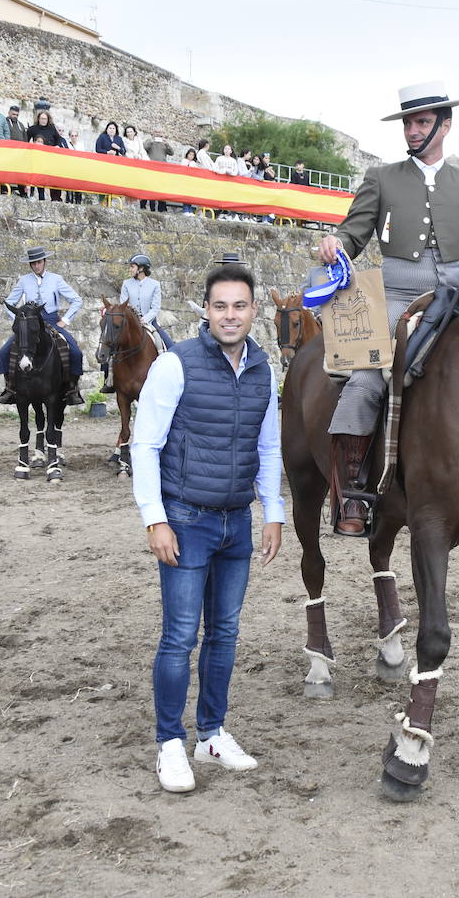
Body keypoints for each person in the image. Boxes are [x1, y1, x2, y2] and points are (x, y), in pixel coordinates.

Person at [316, 80, 459, 536]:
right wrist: (336, 243)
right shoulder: (382, 177)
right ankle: (354, 492)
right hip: (394, 297)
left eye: (421, 122)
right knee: (363, 381)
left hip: (455, 298)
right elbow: (354, 233)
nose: (412, 131)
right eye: (408, 123)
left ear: (445, 124)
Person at [131, 261, 284, 793]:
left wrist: (274, 512)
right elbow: (144, 444)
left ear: (253, 312)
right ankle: (170, 742)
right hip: (187, 519)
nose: (230, 315)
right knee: (179, 637)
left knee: (224, 632)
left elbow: (268, 446)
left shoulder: (264, 370)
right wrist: (156, 519)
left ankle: (212, 733)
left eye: (239, 305)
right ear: (205, 310)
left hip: (235, 522)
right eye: (220, 305)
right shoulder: (176, 364)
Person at [0, 247, 85, 406]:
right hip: (29, 325)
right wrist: (20, 320)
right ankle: (10, 388)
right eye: (33, 263)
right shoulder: (24, 280)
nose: (36, 266)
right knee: (3, 352)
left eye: (39, 262)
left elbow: (77, 300)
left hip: (51, 322)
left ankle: (72, 389)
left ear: (44, 262)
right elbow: (8, 304)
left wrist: (65, 320)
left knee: (76, 353)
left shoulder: (56, 279)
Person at [103, 252, 175, 391]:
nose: (130, 269)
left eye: (132, 267)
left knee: (171, 349)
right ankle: (109, 379)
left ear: (141, 268)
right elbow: (124, 305)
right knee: (110, 345)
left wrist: (144, 320)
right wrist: (134, 319)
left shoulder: (155, 285)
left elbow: (155, 308)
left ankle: (167, 378)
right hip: (129, 324)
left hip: (150, 323)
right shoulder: (126, 284)